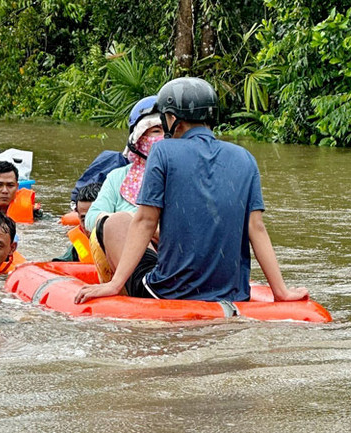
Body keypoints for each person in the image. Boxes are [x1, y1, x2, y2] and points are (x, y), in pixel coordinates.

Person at [74, 77, 309, 305]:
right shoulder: (245, 158)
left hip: (170, 292)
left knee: (116, 222)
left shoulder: (163, 152)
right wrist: (281, 292)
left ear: (172, 118)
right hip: (234, 293)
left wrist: (114, 285)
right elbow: (256, 228)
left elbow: (145, 221)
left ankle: (126, 292)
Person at [84, 96, 165, 234]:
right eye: (156, 131)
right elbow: (91, 218)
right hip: (123, 240)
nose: (163, 138)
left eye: (168, 132)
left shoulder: (185, 175)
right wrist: (128, 221)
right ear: (138, 138)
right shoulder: (118, 177)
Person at [53, 183, 101, 263]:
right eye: (84, 219)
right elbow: (56, 266)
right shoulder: (78, 247)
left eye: (94, 218)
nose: (89, 225)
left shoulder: (123, 241)